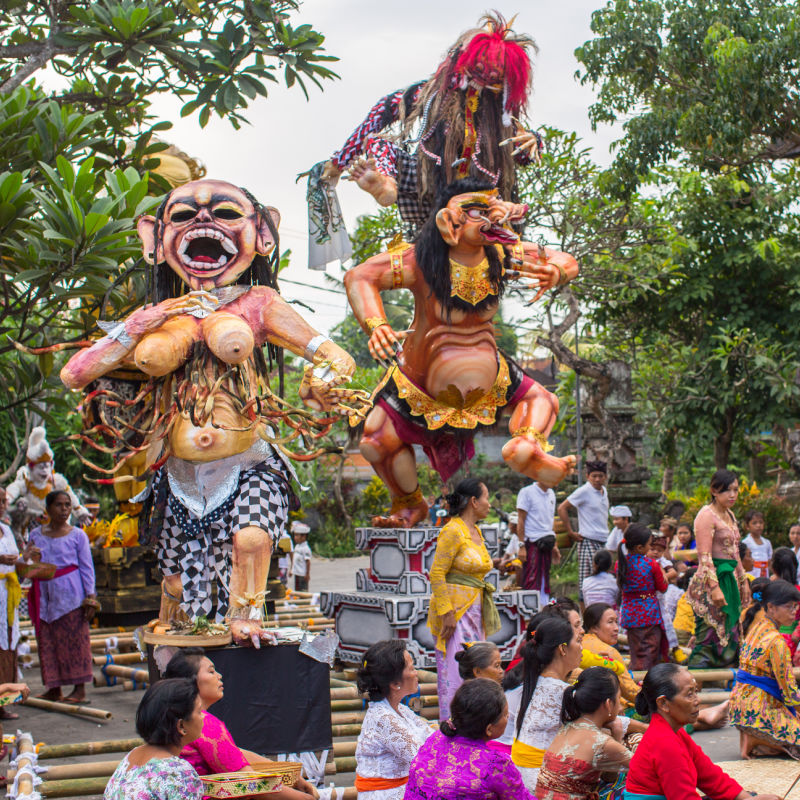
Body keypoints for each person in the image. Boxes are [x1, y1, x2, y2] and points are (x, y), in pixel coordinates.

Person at [162, 647, 316, 797]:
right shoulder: (205, 723)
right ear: (191, 682)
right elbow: (251, 783)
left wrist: (291, 776)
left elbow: (234, 752)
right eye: (211, 671)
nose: (219, 675)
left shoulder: (173, 716)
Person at [626, 663, 780, 800]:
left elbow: (708, 774)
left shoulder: (675, 733)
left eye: (696, 692)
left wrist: (745, 798)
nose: (697, 700)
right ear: (664, 703)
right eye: (689, 694)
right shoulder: (665, 743)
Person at [427, 478, 499, 720]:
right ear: (474, 501)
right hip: (456, 615)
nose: (490, 503)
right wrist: (447, 613)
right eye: (487, 497)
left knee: (476, 671)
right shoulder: (452, 530)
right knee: (457, 674)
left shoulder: (475, 531)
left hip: (475, 612)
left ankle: (476, 726)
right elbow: (437, 573)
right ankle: (455, 728)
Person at [24, 490, 98, 704]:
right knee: (48, 643)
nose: (64, 509)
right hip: (45, 596)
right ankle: (53, 688)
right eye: (59, 505)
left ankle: (79, 690)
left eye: (67, 505)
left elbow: (87, 568)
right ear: (48, 509)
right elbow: (30, 564)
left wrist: (90, 597)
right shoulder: (36, 535)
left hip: (72, 597)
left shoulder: (78, 535)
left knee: (75, 642)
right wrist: (27, 559)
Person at [405, 678, 534, 800]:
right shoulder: (496, 765)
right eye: (506, 715)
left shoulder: (436, 738)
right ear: (489, 729)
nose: (507, 719)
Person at [352, 640, 434, 800]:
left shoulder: (400, 709)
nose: (416, 673)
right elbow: (424, 759)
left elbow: (431, 736)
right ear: (395, 683)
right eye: (411, 668)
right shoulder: (383, 718)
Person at [686, 469, 749, 668]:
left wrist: (743, 581)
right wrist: (714, 588)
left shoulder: (729, 514)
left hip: (729, 580)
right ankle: (692, 690)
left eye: (736, 490)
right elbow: (704, 556)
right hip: (710, 582)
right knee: (708, 640)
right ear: (714, 490)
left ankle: (723, 690)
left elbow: (735, 553)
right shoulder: (706, 515)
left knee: (731, 638)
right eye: (727, 490)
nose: (733, 495)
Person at [730, 579, 800, 758]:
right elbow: (789, 692)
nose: (794, 613)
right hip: (758, 710)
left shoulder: (756, 627)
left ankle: (759, 741)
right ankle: (758, 740)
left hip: (739, 707)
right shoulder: (777, 642)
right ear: (771, 607)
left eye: (795, 607)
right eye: (789, 607)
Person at [536, 667, 631, 800]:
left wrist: (616, 735)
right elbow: (644, 770)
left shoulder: (567, 727)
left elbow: (609, 777)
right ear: (609, 704)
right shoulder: (602, 742)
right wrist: (618, 735)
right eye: (619, 699)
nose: (620, 707)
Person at [512, 616, 584, 790]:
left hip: (520, 776)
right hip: (540, 781)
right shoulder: (561, 691)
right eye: (578, 641)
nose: (582, 648)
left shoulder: (535, 682)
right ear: (562, 649)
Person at [104, 678, 205, 800]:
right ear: (181, 726)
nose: (203, 716)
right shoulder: (179, 773)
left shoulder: (132, 755)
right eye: (199, 711)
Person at [617, 523, 667, 670]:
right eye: (649, 545)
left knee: (636, 651)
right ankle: (648, 681)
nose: (650, 548)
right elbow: (663, 588)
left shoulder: (620, 564)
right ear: (640, 548)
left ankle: (636, 678)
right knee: (651, 651)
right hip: (649, 613)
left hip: (630, 614)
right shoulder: (651, 564)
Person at [557, 460, 609, 602]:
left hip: (603, 540)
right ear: (588, 476)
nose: (597, 479)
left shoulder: (604, 491)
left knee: (603, 581)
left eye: (600, 476)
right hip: (588, 541)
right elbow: (562, 508)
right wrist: (570, 531)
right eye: (594, 476)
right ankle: (586, 619)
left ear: (605, 476)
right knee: (588, 582)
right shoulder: (584, 491)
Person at [516, 480, 560, 602]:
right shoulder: (527, 492)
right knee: (531, 580)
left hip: (547, 543)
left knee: (544, 580)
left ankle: (544, 608)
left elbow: (550, 522)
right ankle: (531, 614)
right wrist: (521, 546)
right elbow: (521, 520)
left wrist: (555, 546)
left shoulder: (551, 493)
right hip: (532, 542)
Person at [0, 489, 21, 718]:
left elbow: (17, 560)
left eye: (3, 501)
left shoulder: (6, 529)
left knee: (7, 646)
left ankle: (5, 700)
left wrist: (28, 558)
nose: (2, 505)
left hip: (8, 595)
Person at [741, 509, 771, 578]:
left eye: (761, 522)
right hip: (751, 574)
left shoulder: (767, 542)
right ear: (747, 526)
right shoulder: (745, 543)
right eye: (754, 523)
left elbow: (769, 559)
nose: (758, 525)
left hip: (765, 575)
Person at [290, 521, 312, 592]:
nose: (295, 537)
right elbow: (294, 560)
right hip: (297, 573)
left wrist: (307, 574)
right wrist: (291, 570)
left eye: (297, 535)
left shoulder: (306, 548)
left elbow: (308, 562)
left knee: (303, 590)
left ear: (303, 536)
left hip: (302, 574)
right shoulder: (297, 546)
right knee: (297, 590)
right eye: (295, 535)